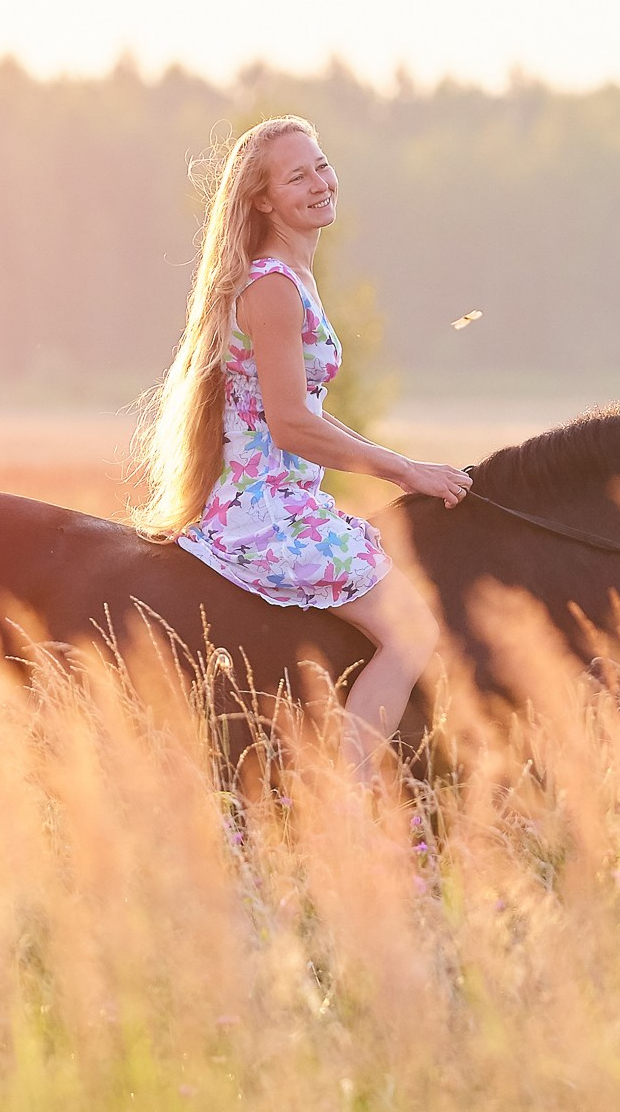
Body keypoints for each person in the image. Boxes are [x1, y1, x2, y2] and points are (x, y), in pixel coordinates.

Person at [137, 115, 470, 778]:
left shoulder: (293, 277)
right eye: (298, 176)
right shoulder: (273, 288)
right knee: (413, 630)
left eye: (321, 164)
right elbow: (291, 424)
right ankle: (343, 799)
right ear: (263, 200)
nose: (320, 182)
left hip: (284, 497)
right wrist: (406, 470)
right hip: (262, 510)